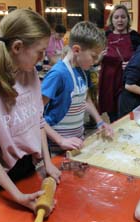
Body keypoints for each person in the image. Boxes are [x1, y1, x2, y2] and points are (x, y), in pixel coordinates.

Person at [0, 9, 61, 212]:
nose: (43, 57)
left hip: (26, 168)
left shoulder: (30, 72)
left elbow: (38, 121)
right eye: (40, 51)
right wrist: (17, 196)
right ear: (17, 47)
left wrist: (47, 162)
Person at [41, 21, 113, 155]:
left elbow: (86, 100)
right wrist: (60, 140)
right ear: (76, 50)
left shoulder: (83, 71)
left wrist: (99, 121)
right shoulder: (58, 75)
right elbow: (35, 115)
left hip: (76, 141)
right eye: (93, 56)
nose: (96, 61)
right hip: (56, 146)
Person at [98, 4, 140, 123]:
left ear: (128, 19)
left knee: (125, 114)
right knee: (112, 115)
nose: (120, 20)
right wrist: (100, 56)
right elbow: (94, 60)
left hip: (128, 81)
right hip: (108, 81)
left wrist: (132, 63)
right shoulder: (105, 36)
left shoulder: (135, 37)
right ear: (111, 19)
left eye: (123, 17)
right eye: (116, 17)